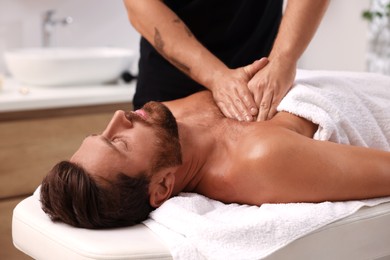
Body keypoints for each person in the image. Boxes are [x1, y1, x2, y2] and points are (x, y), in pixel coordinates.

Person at [40, 59, 390, 229]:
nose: (119, 116)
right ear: (162, 186)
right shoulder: (259, 160)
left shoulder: (169, 118)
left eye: (102, 132)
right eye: (119, 142)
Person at [123, 0, 329, 121]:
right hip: (171, 88)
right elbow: (139, 5)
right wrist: (216, 76)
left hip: (260, 86)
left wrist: (283, 60)